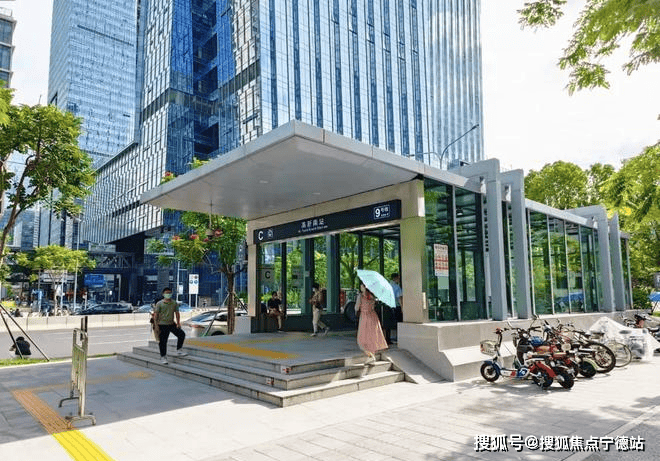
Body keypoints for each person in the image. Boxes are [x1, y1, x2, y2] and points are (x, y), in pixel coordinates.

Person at [355, 282, 388, 364]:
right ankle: (371, 355)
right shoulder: (372, 296)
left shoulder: (360, 296)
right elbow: (373, 306)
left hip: (365, 317)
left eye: (362, 286)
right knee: (372, 336)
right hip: (373, 316)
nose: (361, 288)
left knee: (363, 337)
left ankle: (370, 356)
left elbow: (356, 308)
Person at [153, 287, 187, 364]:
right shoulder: (159, 303)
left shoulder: (174, 303)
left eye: (169, 293)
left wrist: (178, 323)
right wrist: (156, 326)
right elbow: (156, 315)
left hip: (171, 323)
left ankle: (179, 350)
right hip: (162, 324)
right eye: (166, 293)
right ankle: (163, 357)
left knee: (181, 334)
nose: (168, 294)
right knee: (163, 341)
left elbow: (177, 313)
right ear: (163, 294)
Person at [387, 273, 403, 344]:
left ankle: (388, 338)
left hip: (388, 306)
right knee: (398, 322)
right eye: (398, 278)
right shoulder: (397, 287)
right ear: (395, 278)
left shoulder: (387, 286)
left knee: (389, 322)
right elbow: (399, 298)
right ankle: (398, 337)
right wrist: (402, 307)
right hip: (396, 306)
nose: (399, 279)